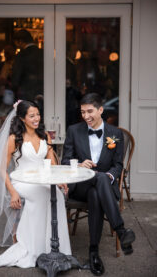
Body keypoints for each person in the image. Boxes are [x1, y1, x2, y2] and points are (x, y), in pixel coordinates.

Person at [0, 100, 71, 268]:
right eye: (32, 115)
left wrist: (59, 180)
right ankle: (34, 247)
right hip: (22, 181)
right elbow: (2, 169)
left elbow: (52, 163)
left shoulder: (44, 136)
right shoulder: (14, 138)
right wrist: (13, 192)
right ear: (22, 118)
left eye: (38, 114)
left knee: (58, 198)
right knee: (43, 197)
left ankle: (54, 248)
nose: (36, 118)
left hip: (42, 180)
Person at [61, 93, 135, 276]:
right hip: (80, 186)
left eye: (90, 111)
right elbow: (64, 161)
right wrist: (78, 165)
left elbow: (118, 166)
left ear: (100, 110)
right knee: (96, 182)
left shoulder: (115, 133)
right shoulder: (73, 130)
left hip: (104, 187)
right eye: (82, 112)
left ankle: (93, 252)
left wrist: (108, 176)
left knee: (98, 187)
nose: (86, 116)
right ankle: (120, 230)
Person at [12, 29, 43, 100]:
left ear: (20, 41)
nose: (16, 46)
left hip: (26, 93)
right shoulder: (43, 53)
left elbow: (16, 78)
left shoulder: (21, 55)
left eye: (16, 43)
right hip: (43, 91)